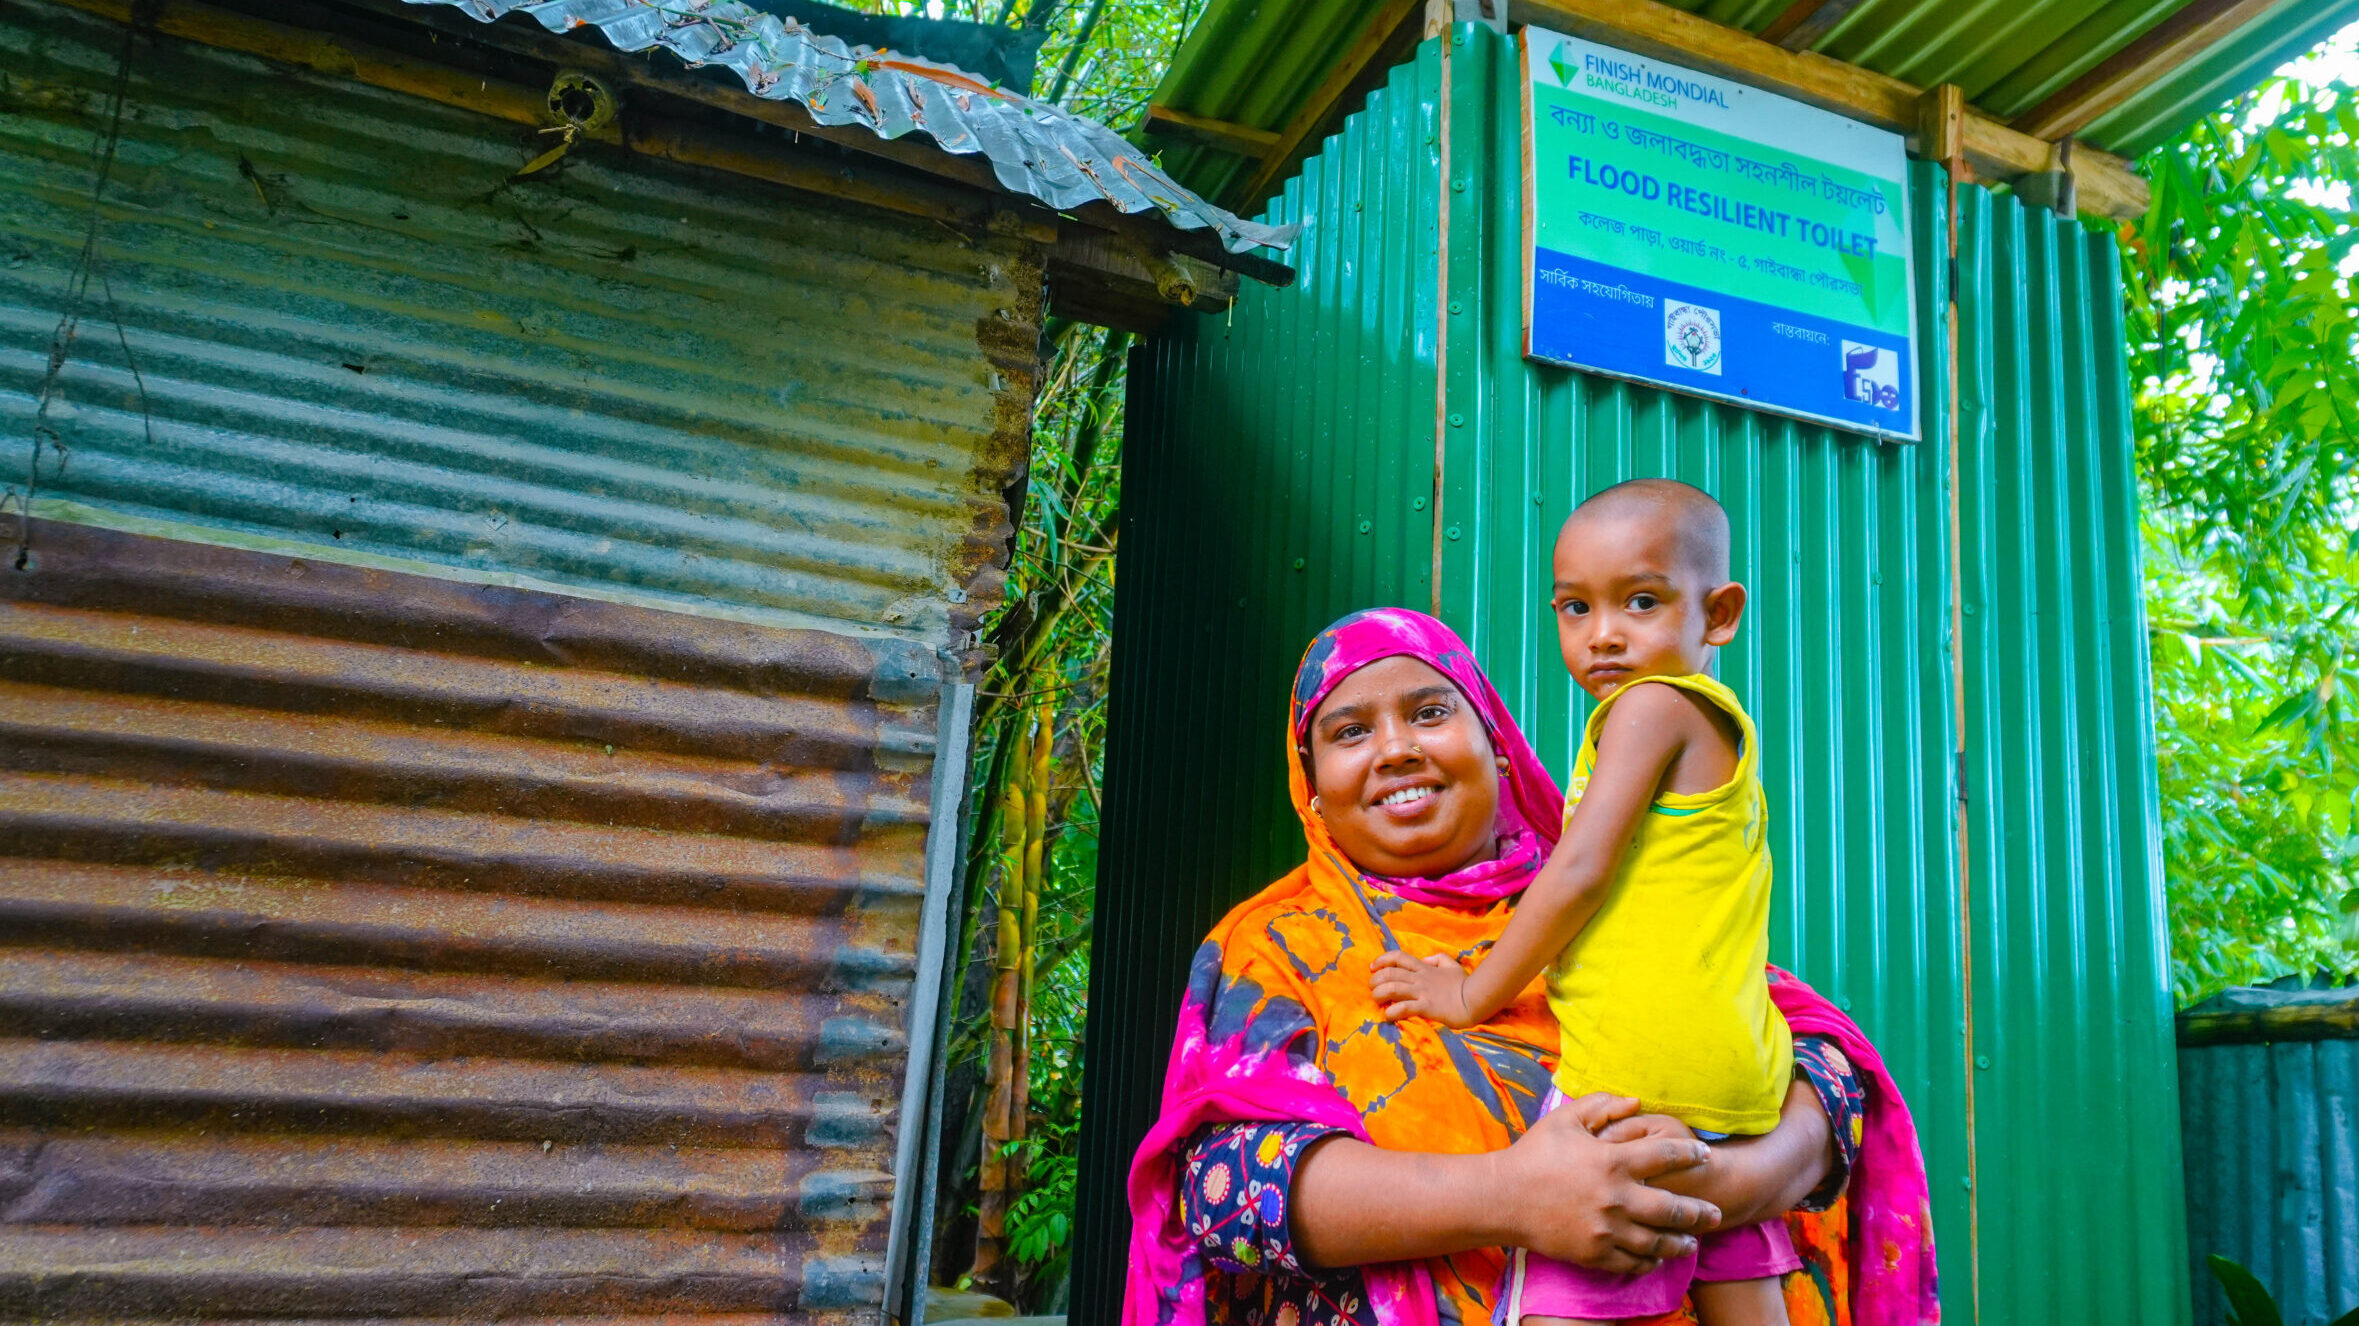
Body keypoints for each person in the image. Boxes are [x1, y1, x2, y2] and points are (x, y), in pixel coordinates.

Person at [1123, 606, 1938, 1326]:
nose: (1396, 749)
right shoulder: (1274, 944)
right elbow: (1218, 1192)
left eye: (1430, 711)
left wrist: (1739, 1177)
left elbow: (1813, 1056)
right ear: (1312, 787)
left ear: (1496, 743)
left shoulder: (1606, 890)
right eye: (1348, 732)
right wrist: (1515, 1197)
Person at [1370, 481, 1823, 1326]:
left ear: (1718, 615)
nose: (1602, 634)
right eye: (1574, 608)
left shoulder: (1649, 707)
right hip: (1727, 1074)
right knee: (1736, 1279)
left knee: (1572, 1291)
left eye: (1640, 601)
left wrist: (1468, 992)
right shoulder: (1698, 723)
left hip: (1640, 1073)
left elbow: (1577, 872)